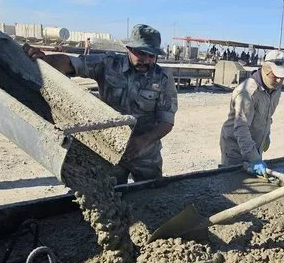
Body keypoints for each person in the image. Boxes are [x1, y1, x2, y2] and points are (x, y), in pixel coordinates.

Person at [23, 24, 178, 184]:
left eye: (152, 56)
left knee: (150, 198)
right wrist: (44, 59)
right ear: (129, 49)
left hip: (146, 154)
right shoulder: (109, 64)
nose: (146, 60)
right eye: (141, 53)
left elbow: (166, 122)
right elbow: (72, 63)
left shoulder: (163, 78)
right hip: (110, 151)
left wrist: (143, 141)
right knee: (111, 198)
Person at [219, 50, 284, 175]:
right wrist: (255, 159)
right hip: (235, 146)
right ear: (266, 69)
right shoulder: (247, 92)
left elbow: (268, 114)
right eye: (275, 76)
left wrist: (266, 132)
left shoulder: (275, 88)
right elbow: (241, 128)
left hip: (254, 143)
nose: (279, 81)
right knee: (233, 179)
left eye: (282, 78)